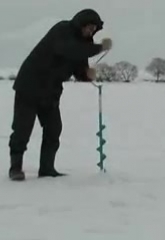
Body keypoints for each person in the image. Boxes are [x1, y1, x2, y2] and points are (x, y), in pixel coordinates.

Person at [8, 9, 112, 181]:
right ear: (81, 23)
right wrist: (99, 48)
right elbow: (69, 49)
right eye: (89, 27)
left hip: (50, 91)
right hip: (29, 86)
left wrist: (87, 75)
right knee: (22, 128)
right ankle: (15, 168)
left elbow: (78, 69)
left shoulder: (84, 45)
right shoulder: (62, 30)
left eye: (94, 29)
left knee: (54, 129)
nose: (91, 31)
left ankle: (47, 169)